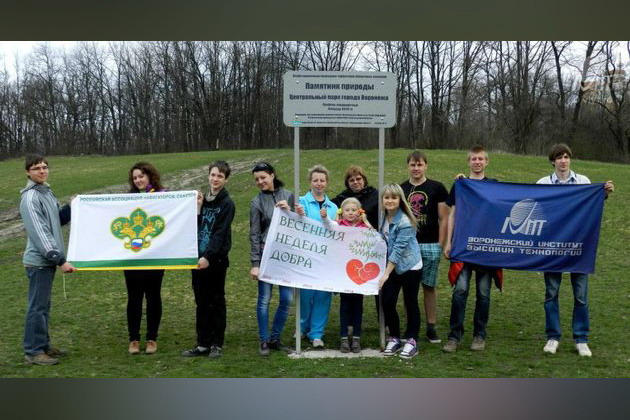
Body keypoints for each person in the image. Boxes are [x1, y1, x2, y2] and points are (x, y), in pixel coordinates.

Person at [536, 143, 614, 357]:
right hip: (552, 247)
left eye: (566, 157)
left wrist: (603, 193)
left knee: (580, 295)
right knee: (551, 293)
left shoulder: (583, 181)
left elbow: (592, 203)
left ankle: (581, 339)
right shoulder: (543, 184)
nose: (563, 161)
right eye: (559, 157)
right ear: (553, 161)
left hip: (579, 245)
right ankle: (553, 337)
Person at [442, 146, 503, 353]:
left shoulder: (494, 186)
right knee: (460, 291)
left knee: (484, 293)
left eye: (480, 159)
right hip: (463, 244)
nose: (477, 162)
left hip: (485, 247)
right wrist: (449, 242)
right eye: (473, 159)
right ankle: (454, 336)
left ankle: (479, 335)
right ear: (468, 162)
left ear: (487, 162)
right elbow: (452, 215)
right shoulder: (460, 185)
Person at [20, 153, 76, 365]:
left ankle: (43, 345)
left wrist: (71, 207)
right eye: (36, 168)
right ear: (28, 172)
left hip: (47, 261)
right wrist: (59, 259)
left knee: (43, 306)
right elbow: (40, 233)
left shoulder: (47, 192)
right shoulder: (30, 198)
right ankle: (33, 351)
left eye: (44, 167)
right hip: (39, 262)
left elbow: (56, 221)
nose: (42, 171)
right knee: (37, 307)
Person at [181, 161, 235, 359]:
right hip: (197, 260)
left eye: (220, 176)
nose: (215, 179)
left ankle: (216, 344)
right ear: (208, 176)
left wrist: (207, 256)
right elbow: (194, 227)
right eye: (213, 175)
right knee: (201, 302)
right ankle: (202, 343)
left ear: (226, 179)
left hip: (215, 261)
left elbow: (219, 234)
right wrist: (197, 208)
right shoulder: (202, 200)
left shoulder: (227, 204)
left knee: (216, 301)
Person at [399, 150, 449, 344]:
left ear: (425, 166)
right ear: (408, 166)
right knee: (408, 289)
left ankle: (431, 326)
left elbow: (444, 218)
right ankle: (410, 327)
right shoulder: (402, 189)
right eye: (413, 164)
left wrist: (440, 244)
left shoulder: (437, 188)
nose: (416, 168)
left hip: (430, 244)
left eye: (419, 164)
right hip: (408, 245)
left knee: (429, 286)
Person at [248, 161, 295, 356]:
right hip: (266, 254)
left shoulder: (289, 195)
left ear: (272, 176)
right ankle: (264, 340)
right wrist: (255, 264)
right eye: (257, 179)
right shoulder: (256, 202)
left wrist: (289, 211)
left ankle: (275, 338)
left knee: (286, 299)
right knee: (264, 299)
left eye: (263, 177)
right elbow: (254, 234)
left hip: (285, 255)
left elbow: (299, 224)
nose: (260, 182)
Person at [124, 162, 167, 355]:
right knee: (134, 298)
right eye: (135, 178)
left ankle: (152, 338)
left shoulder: (164, 196)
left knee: (153, 296)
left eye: (141, 176)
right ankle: (133, 339)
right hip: (132, 257)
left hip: (155, 255)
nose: (138, 180)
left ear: (150, 176)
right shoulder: (127, 199)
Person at [295, 164, 338, 348]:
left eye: (322, 180)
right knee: (305, 295)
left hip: (326, 259)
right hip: (306, 256)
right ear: (310, 182)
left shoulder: (333, 207)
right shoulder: (301, 202)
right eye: (315, 180)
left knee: (322, 296)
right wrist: (299, 215)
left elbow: (337, 231)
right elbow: (294, 225)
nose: (319, 183)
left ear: (326, 182)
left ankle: (317, 333)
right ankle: (302, 327)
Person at [378, 184, 422, 359]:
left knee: (410, 302)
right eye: (386, 197)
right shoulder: (383, 216)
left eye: (393, 197)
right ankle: (395, 336)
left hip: (409, 265)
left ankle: (412, 339)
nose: (390, 201)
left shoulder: (405, 221)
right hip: (393, 266)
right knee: (387, 302)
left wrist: (386, 274)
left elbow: (398, 249)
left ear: (400, 200)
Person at [335, 197, 373, 353]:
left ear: (359, 212)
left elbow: (374, 237)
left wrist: (366, 221)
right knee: (345, 305)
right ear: (342, 212)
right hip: (343, 273)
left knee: (358, 304)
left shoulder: (364, 227)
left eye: (353, 210)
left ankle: (356, 338)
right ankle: (344, 338)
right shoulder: (338, 226)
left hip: (358, 274)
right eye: (347, 210)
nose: (350, 213)